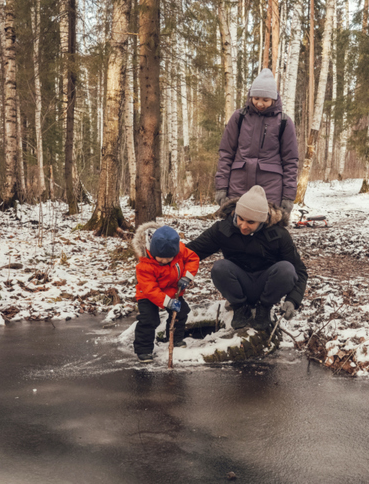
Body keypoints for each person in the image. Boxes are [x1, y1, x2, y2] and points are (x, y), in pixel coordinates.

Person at [187, 185, 307, 331]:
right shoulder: (223, 229)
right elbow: (192, 251)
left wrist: (293, 300)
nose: (243, 226)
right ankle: (240, 308)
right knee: (219, 267)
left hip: (267, 285)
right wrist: (161, 253)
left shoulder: (278, 234)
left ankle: (264, 309)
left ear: (262, 221)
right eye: (240, 219)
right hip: (238, 284)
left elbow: (299, 270)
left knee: (287, 269)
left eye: (251, 222)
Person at [214, 68, 299, 219]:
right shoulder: (238, 117)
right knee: (235, 232)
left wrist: (288, 197)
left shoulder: (284, 122)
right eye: (256, 98)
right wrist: (221, 188)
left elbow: (290, 162)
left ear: (274, 99)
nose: (260, 103)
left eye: (265, 100)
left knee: (267, 236)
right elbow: (226, 155)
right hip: (238, 187)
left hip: (270, 190)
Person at [132, 223, 199, 363]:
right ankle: (143, 350)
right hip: (148, 295)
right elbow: (150, 289)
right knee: (149, 319)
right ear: (153, 251)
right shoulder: (145, 265)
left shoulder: (180, 250)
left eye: (169, 259)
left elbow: (193, 259)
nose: (165, 261)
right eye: (161, 258)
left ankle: (176, 339)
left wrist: (187, 276)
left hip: (173, 290)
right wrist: (168, 302)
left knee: (181, 312)